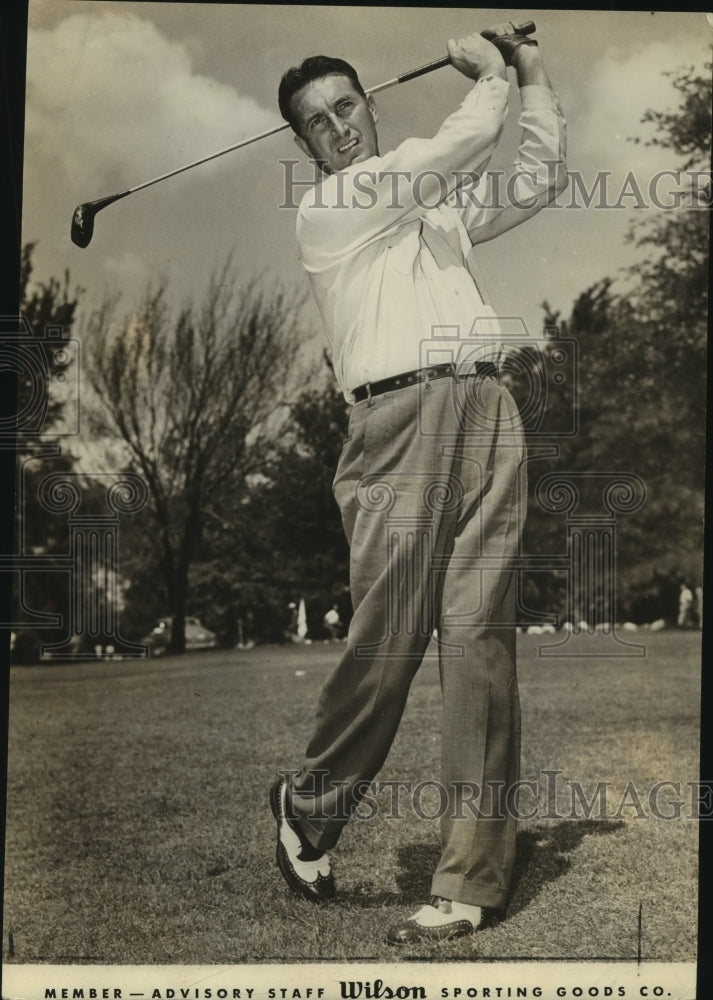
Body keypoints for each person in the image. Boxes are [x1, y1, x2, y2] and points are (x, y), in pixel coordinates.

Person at [270, 22, 567, 943]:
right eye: (317, 123)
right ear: (305, 144)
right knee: (389, 641)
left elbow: (536, 175)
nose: (338, 128)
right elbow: (466, 139)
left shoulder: (429, 208)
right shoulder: (332, 210)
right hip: (395, 427)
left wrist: (529, 69)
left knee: (479, 643)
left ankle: (468, 881)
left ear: (369, 102)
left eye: (347, 106)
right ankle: (309, 805)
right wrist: (483, 73)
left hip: (485, 408)